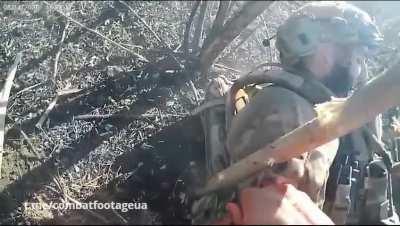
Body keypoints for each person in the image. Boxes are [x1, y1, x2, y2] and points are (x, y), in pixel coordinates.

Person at [192, 1, 399, 225]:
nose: (357, 59)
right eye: (349, 45)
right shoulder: (286, 108)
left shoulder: (341, 113)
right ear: (305, 40)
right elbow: (270, 211)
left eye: (361, 53)